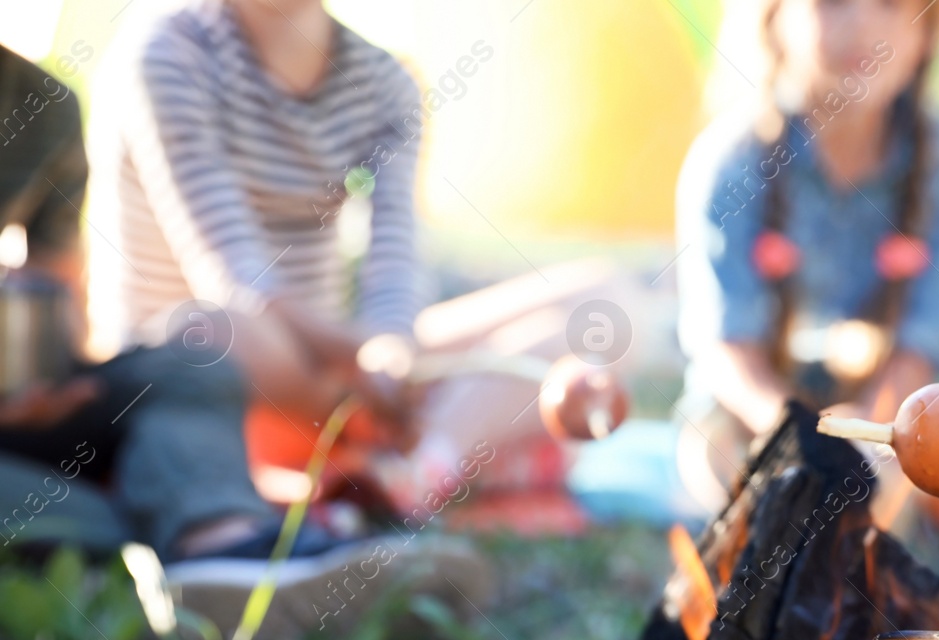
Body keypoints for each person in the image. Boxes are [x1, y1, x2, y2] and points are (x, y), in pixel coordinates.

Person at [0, 42, 486, 640]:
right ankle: (159, 566)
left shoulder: (41, 107)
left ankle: (224, 554)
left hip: (22, 420)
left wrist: (47, 374)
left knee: (194, 360)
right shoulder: (168, 60)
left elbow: (57, 306)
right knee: (98, 525)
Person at [84, 0, 603, 512]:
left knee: (601, 299)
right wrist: (367, 356)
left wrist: (390, 350)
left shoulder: (383, 83)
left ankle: (418, 466)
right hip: (211, 379)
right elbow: (234, 278)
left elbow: (396, 262)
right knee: (210, 328)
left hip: (333, 370)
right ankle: (427, 435)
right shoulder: (167, 54)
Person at [675, 0, 939, 508]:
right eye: (831, 3)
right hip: (754, 416)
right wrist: (803, 440)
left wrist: (868, 433)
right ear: (775, 21)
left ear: (927, 33)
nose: (861, 24)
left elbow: (922, 339)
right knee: (724, 469)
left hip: (885, 415)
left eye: (890, 4)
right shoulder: (732, 158)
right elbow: (726, 350)